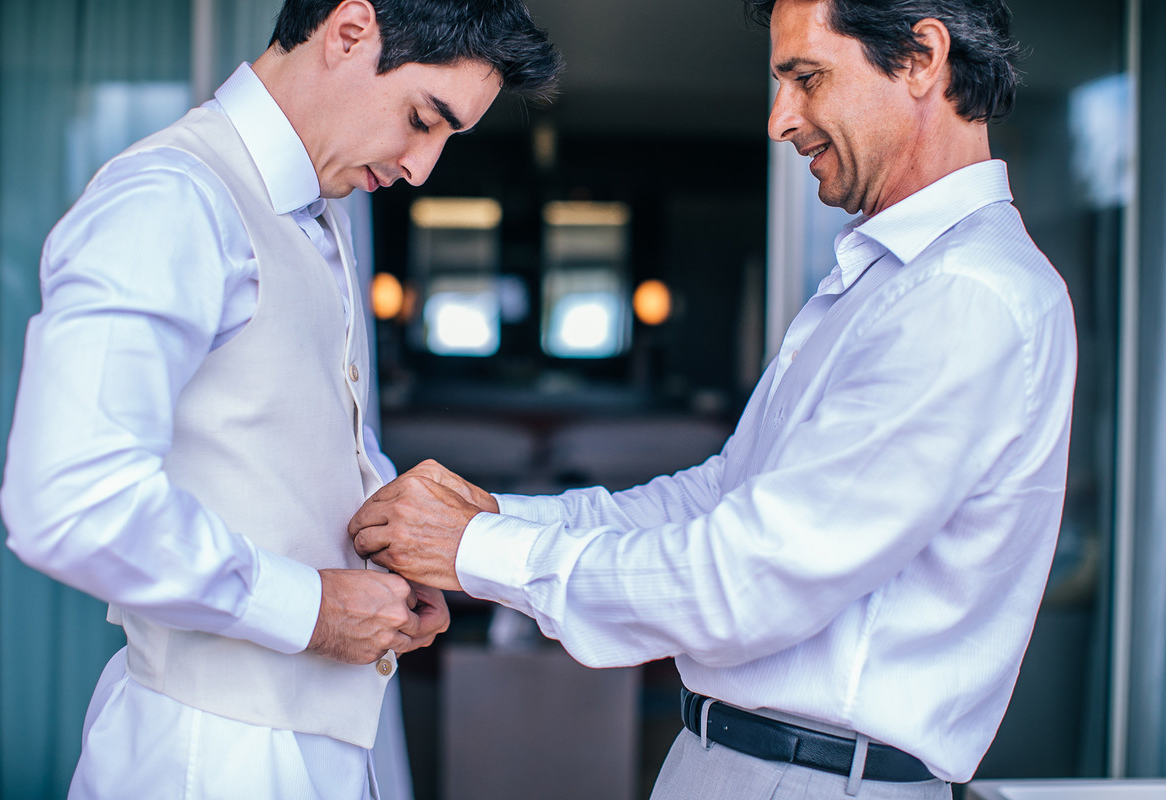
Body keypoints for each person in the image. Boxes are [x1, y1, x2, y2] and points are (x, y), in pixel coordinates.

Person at [349, 0, 1077, 798]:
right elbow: (716, 501)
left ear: (922, 58)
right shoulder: (891, 283)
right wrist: (489, 519)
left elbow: (746, 580)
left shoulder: (962, 296)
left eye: (806, 77)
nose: (778, 120)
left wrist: (475, 550)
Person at [0, 1, 560, 798]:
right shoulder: (172, 198)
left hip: (336, 743)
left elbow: (269, 441)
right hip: (211, 755)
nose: (421, 168)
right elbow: (68, 498)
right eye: (421, 119)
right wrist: (310, 609)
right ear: (350, 31)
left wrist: (392, 545)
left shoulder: (321, 209)